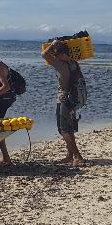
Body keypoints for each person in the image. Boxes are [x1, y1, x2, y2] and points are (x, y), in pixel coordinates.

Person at [41, 39, 86, 167]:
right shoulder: (74, 63)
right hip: (74, 99)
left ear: (61, 54)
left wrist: (52, 44)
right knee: (69, 128)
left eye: (55, 54)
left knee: (64, 129)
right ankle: (70, 155)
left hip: (65, 99)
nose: (54, 57)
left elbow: (44, 55)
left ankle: (78, 156)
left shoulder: (61, 65)